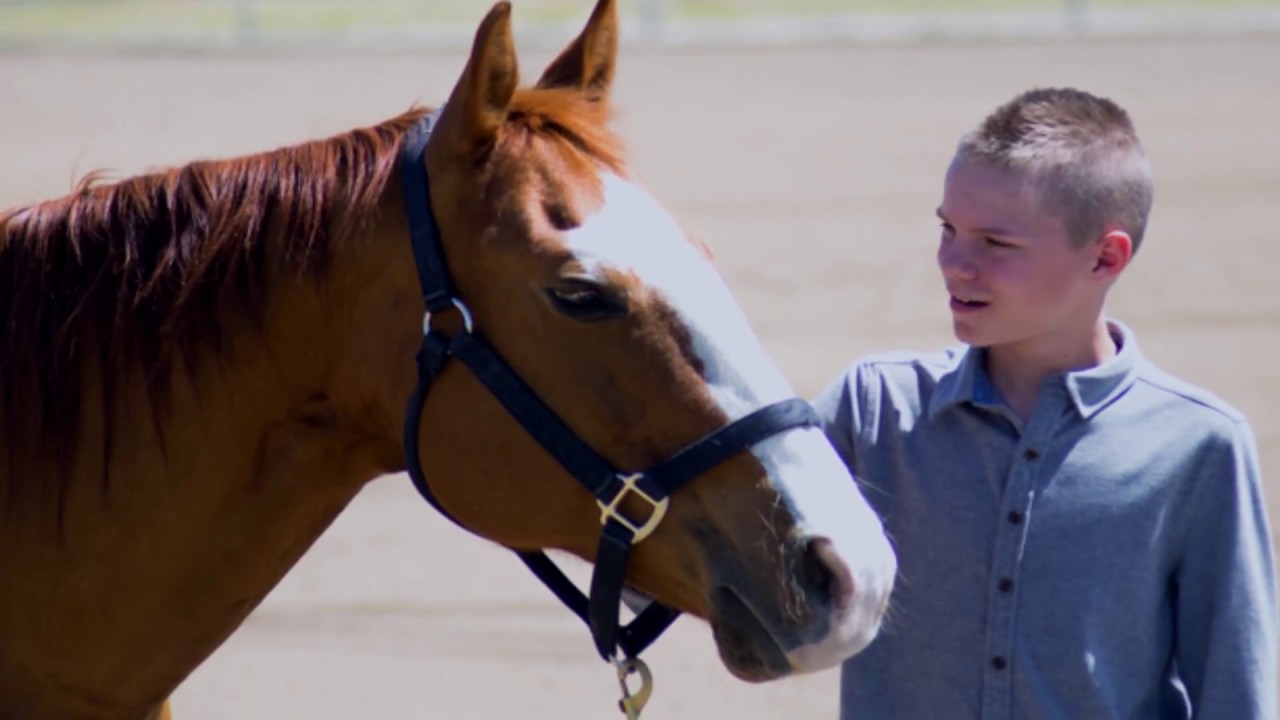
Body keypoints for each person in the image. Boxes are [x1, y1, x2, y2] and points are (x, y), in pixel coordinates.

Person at [813, 87, 1277, 719]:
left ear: (1107, 257)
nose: (954, 264)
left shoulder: (1199, 446)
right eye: (948, 229)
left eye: (996, 244)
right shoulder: (872, 411)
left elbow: (1236, 693)